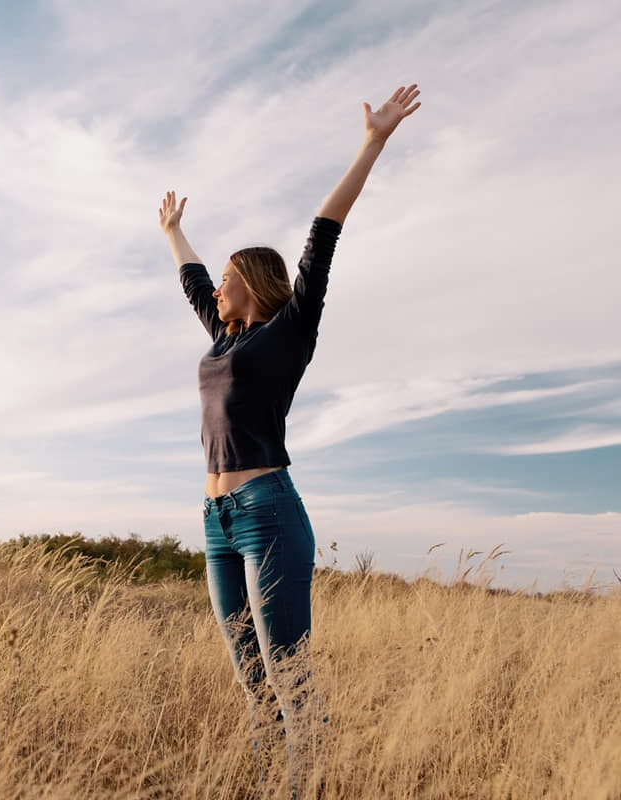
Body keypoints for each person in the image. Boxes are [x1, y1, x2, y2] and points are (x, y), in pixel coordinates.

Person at [158, 84, 421, 794]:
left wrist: (373, 143)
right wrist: (173, 232)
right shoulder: (223, 338)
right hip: (216, 520)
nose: (217, 290)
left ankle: (309, 786)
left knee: (287, 673)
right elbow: (193, 282)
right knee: (250, 677)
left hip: (268, 510)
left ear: (253, 282)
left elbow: (322, 236)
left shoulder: (287, 333)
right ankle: (272, 783)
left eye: (228, 280)